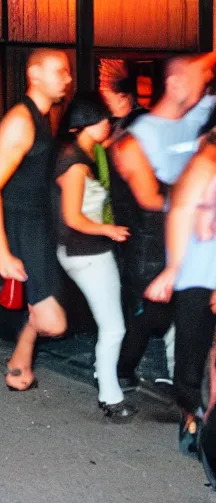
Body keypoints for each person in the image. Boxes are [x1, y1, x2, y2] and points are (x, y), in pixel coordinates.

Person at [111, 55, 216, 393]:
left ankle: (182, 389)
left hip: (193, 240)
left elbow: (201, 67)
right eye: (196, 80)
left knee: (188, 317)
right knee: (150, 317)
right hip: (150, 243)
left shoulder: (197, 115)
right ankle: (119, 371)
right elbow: (149, 199)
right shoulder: (137, 138)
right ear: (175, 84)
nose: (203, 86)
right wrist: (196, 198)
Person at [0, 49, 71, 390]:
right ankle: (21, 353)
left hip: (39, 224)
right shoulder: (21, 120)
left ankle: (19, 365)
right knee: (54, 322)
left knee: (53, 317)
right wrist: (2, 253)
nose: (67, 77)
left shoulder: (43, 116)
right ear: (34, 74)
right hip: (22, 226)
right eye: (59, 71)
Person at [54, 92, 136, 421]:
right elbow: (73, 217)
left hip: (82, 251)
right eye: (105, 120)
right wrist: (109, 231)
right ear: (88, 123)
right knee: (114, 328)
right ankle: (110, 396)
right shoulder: (74, 163)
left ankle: (106, 378)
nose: (110, 125)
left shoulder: (83, 153)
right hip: (87, 252)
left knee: (110, 325)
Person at [145, 130, 216, 457]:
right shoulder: (200, 164)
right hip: (196, 275)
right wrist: (173, 271)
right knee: (192, 353)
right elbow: (180, 216)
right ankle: (192, 419)